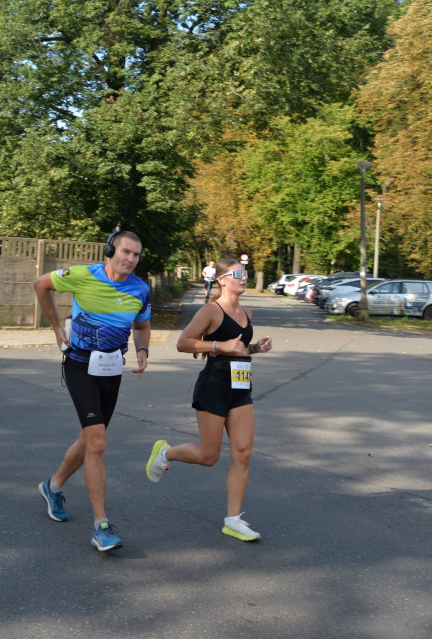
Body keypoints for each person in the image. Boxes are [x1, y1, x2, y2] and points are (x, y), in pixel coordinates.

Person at [33, 230, 150, 552]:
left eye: (136, 255)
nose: (130, 259)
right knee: (98, 442)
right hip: (79, 366)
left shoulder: (140, 289)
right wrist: (57, 327)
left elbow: (141, 326)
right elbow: (41, 284)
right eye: (125, 252)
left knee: (89, 440)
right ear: (110, 250)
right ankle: (101, 526)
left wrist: (143, 351)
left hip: (111, 369)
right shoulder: (84, 275)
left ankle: (52, 487)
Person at [145, 259, 273, 543]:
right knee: (209, 456)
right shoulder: (210, 310)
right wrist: (219, 345)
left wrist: (255, 348)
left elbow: (238, 349)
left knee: (243, 453)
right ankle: (166, 453)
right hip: (213, 386)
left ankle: (233, 520)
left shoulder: (246, 312)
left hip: (240, 388)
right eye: (237, 274)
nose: (243, 277)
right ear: (222, 280)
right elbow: (183, 342)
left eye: (245, 274)